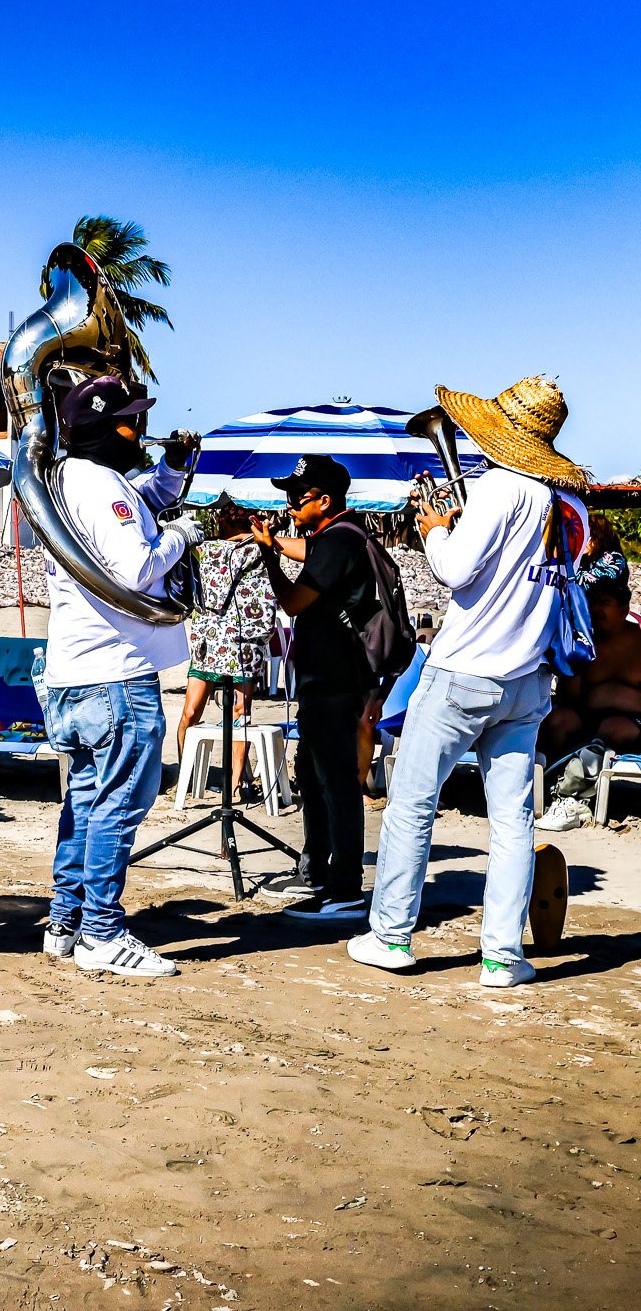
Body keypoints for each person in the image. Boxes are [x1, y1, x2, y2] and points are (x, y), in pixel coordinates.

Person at [347, 376, 589, 988]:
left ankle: (391, 937)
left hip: (463, 673)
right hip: (528, 680)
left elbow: (456, 572)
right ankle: (503, 958)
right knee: (512, 822)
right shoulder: (572, 507)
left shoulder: (501, 487)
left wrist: (434, 526)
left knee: (411, 804)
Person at [34, 374, 201, 978]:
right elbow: (133, 568)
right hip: (116, 675)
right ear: (108, 430)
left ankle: (65, 922)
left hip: (72, 673)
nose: (142, 429)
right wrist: (184, 536)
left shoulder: (65, 479)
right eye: (132, 420)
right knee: (118, 803)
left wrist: (173, 472)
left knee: (82, 800)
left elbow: (135, 508)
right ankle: (103, 934)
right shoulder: (105, 487)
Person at [251, 456, 386, 923]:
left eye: (297, 497)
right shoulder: (338, 536)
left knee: (337, 786)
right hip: (329, 679)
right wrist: (276, 545)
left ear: (324, 501)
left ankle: (345, 890)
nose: (289, 504)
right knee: (313, 777)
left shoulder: (338, 541)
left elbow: (292, 602)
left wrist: (268, 555)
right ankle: (321, 876)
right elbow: (306, 555)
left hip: (335, 681)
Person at [176, 500, 274, 801]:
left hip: (214, 640)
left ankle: (191, 778)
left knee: (191, 712)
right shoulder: (262, 549)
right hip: (239, 642)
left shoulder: (207, 551)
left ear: (227, 521)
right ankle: (228, 785)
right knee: (240, 714)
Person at [537, 581, 641, 831]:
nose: (595, 609)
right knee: (558, 720)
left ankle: (574, 795)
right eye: (592, 602)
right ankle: (553, 786)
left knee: (613, 726)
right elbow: (569, 696)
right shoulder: (584, 641)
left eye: (604, 603)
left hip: (630, 724)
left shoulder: (638, 643)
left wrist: (618, 696)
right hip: (586, 717)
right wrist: (576, 658)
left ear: (624, 607)